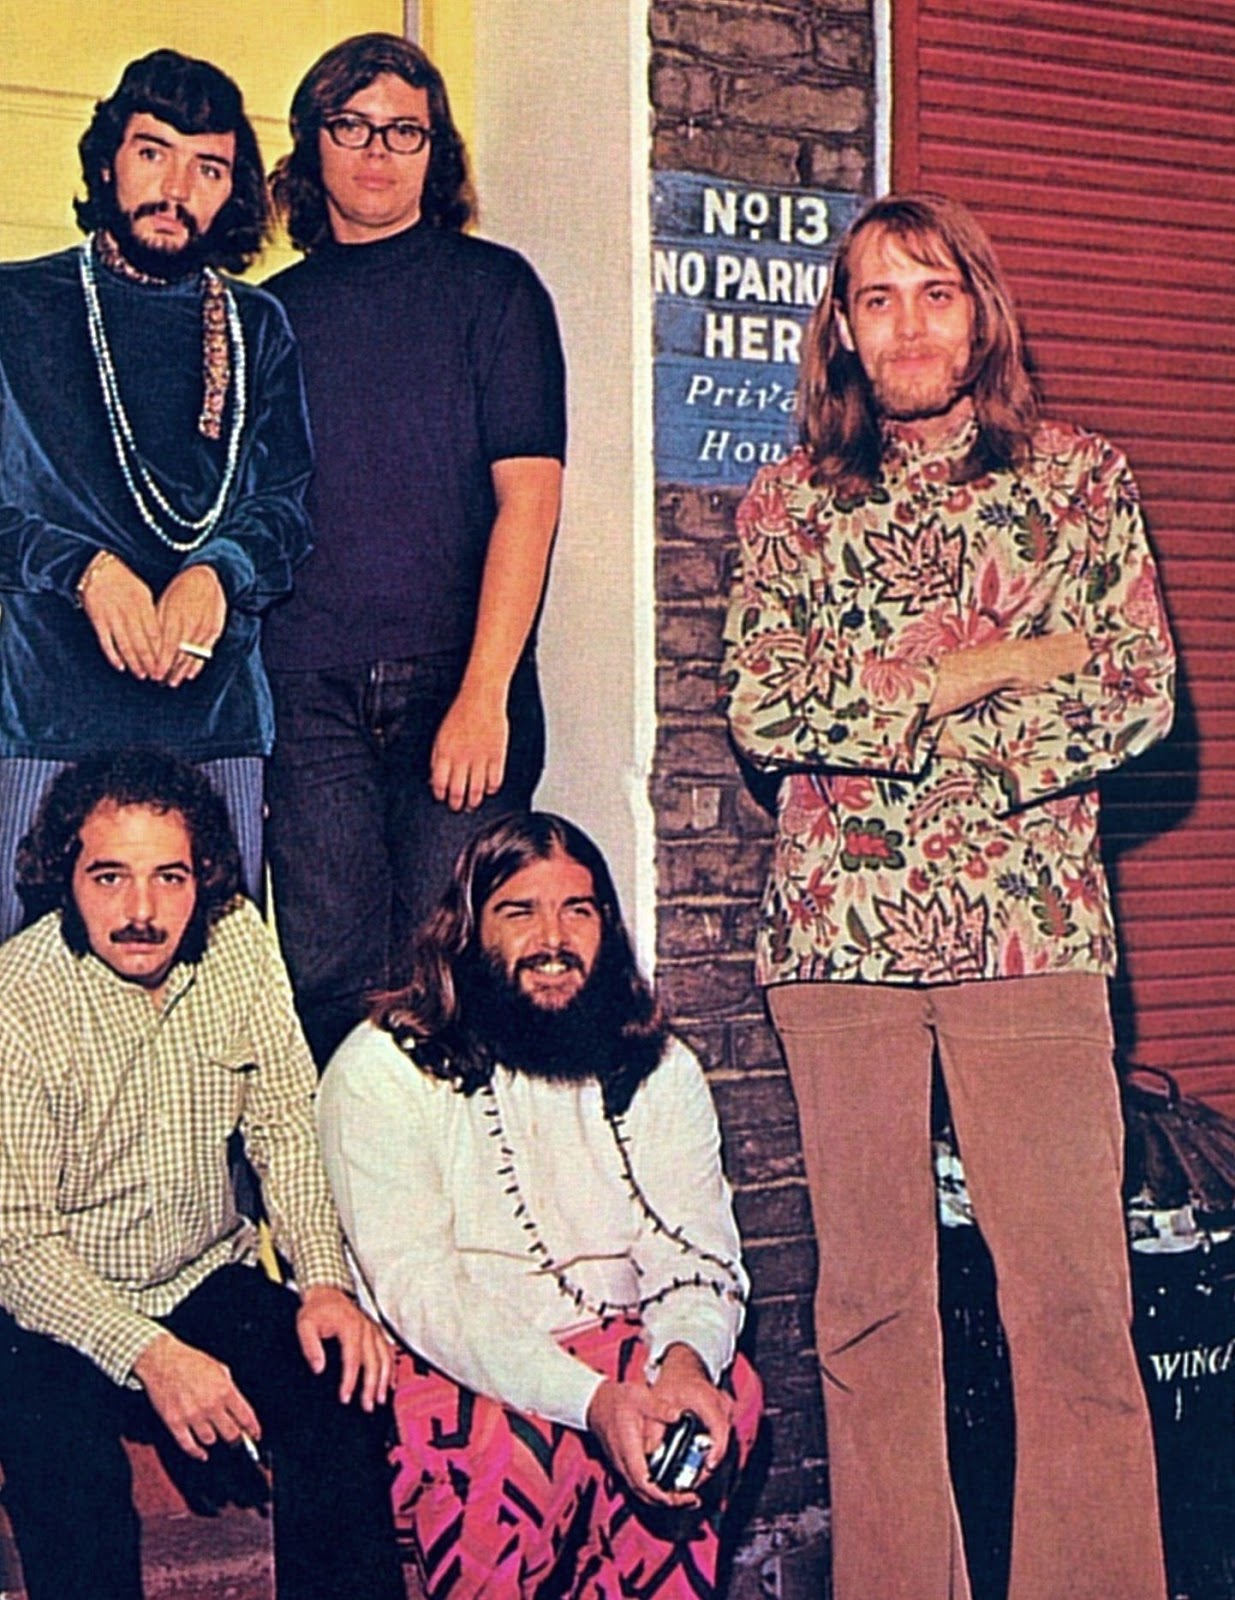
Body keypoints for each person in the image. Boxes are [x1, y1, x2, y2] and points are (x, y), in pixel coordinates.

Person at [722, 193, 1176, 1600]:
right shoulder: (788, 501)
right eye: (876, 298)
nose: (907, 325)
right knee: (868, 1311)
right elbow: (762, 705)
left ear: (979, 312)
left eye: (933, 292)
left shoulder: (1079, 480)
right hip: (836, 937)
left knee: (1072, 1305)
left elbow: (1135, 690)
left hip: (1029, 929)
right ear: (841, 331)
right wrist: (988, 667)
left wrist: (891, 720)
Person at [317, 812, 762, 1599]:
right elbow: (422, 1293)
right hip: (449, 1356)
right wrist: (590, 1403)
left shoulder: (658, 1064)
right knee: (505, 1448)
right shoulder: (381, 1068)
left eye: (577, 911)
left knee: (719, 1403)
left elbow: (695, 1248)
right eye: (519, 912)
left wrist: (684, 1361)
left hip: (615, 1336)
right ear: (467, 930)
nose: (552, 940)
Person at [0, 749, 405, 1600]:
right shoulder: (19, 997)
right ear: (63, 876)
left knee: (340, 1389)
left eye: (170, 878)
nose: (141, 912)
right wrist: (152, 1355)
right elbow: (20, 1244)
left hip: (200, 1273)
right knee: (63, 1459)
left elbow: (285, 1127)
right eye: (109, 877)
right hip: (55, 1301)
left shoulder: (239, 944)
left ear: (205, 878)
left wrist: (323, 1283)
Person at [265, 34, 566, 1066]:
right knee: (328, 982)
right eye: (351, 126)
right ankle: (351, 1176)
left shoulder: (495, 290)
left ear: (436, 153)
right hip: (306, 693)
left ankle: (470, 1177)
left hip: (456, 685)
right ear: (312, 143)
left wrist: (484, 693)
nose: (377, 152)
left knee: (456, 978)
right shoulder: (270, 314)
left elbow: (530, 499)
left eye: (404, 131)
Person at [0, 50, 312, 937]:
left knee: (214, 984)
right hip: (48, 716)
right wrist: (84, 571)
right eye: (152, 153)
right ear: (107, 163)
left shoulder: (256, 325)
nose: (175, 188)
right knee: (26, 984)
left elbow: (285, 508)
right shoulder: (16, 306)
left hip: (213, 722)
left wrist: (217, 574)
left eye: (207, 168)